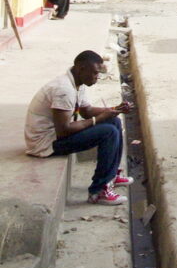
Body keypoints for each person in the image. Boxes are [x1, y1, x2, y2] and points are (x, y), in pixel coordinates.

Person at [24, 50, 133, 205]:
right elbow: (63, 130)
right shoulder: (64, 90)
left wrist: (114, 109)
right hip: (44, 144)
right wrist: (98, 119)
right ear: (81, 68)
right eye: (95, 73)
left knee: (114, 122)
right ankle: (98, 191)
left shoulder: (76, 82)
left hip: (56, 135)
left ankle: (112, 175)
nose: (97, 77)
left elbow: (86, 111)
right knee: (108, 132)